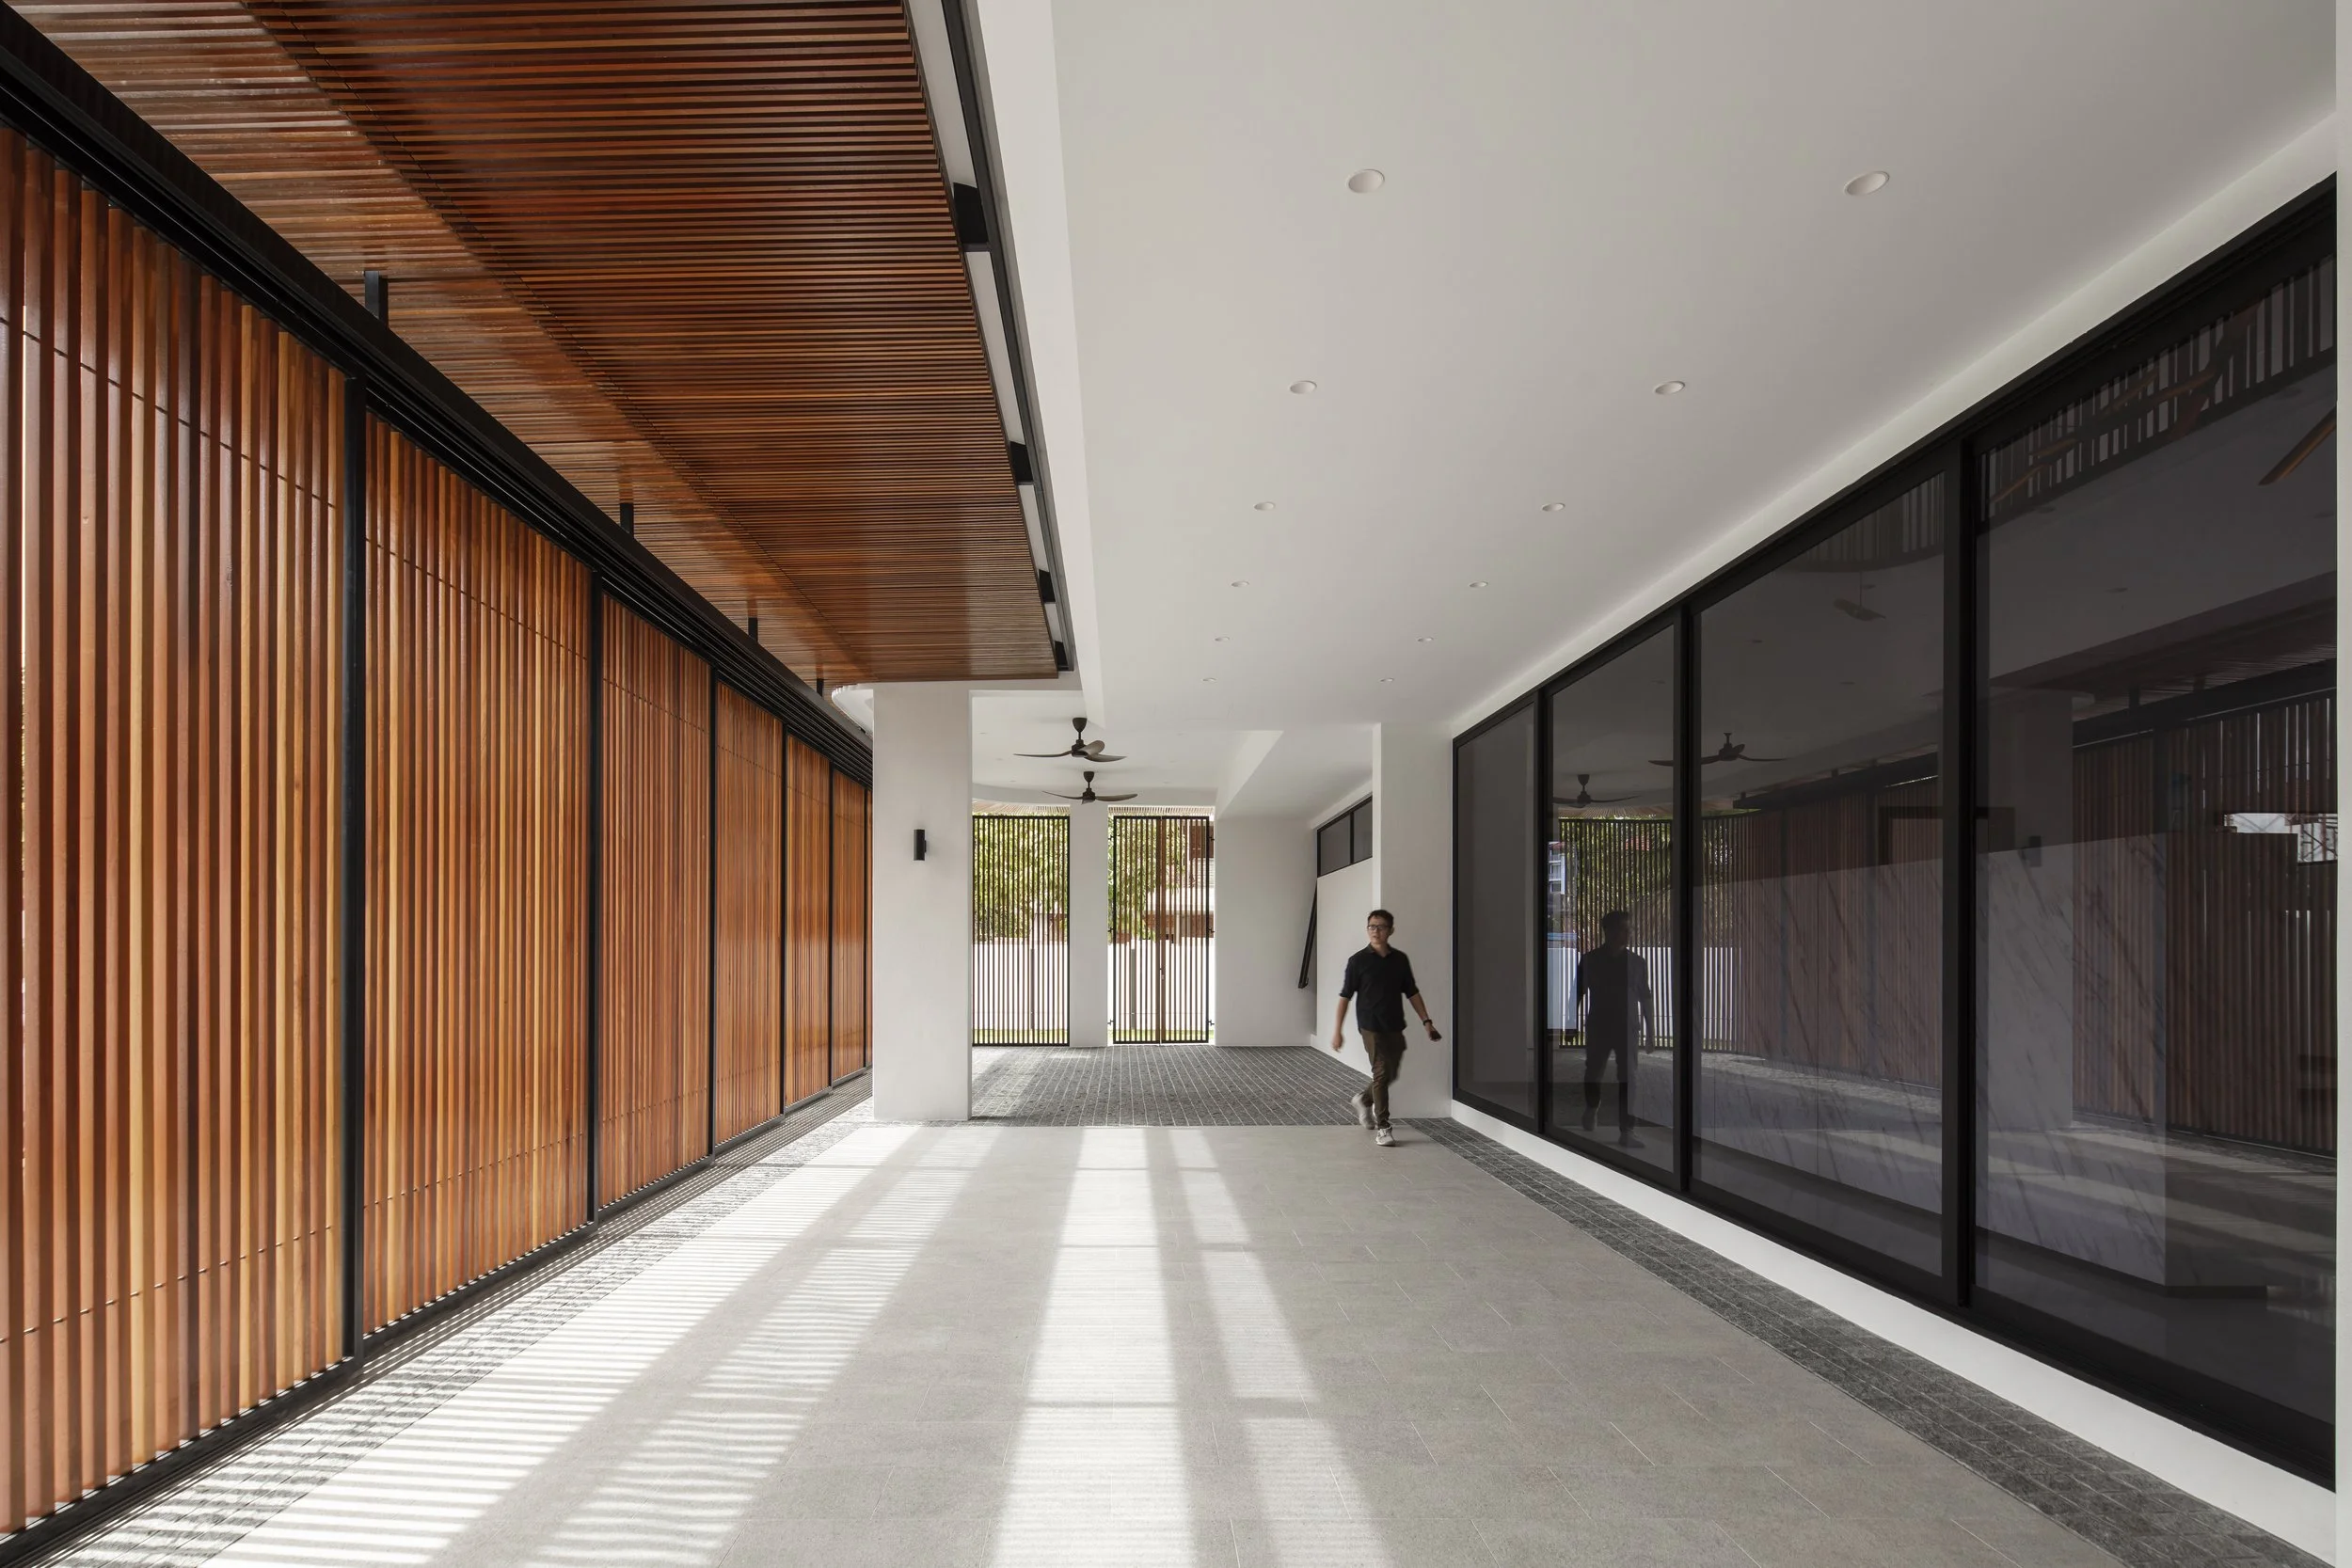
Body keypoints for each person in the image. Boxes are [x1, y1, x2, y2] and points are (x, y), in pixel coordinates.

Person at [1330, 909, 1440, 1147]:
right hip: (1371, 1027)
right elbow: (1345, 997)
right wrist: (1337, 1030)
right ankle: (1384, 1127)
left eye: (1380, 927)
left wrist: (1426, 1021)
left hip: (1394, 1026)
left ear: (1391, 930)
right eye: (1371, 926)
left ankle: (1363, 1099)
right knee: (1380, 1073)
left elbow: (1412, 992)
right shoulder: (1357, 961)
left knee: (1391, 1074)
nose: (1375, 931)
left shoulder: (1400, 960)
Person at [1566, 909, 1653, 1148]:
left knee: (1629, 1078)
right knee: (1593, 1073)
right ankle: (1592, 1106)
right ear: (1609, 931)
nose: (1628, 933)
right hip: (1599, 1026)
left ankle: (1627, 1129)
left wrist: (1651, 1031)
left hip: (1628, 1028)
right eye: (1623, 929)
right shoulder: (1591, 960)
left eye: (1629, 929)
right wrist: (1570, 1023)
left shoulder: (1636, 963)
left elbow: (1645, 997)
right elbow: (1577, 993)